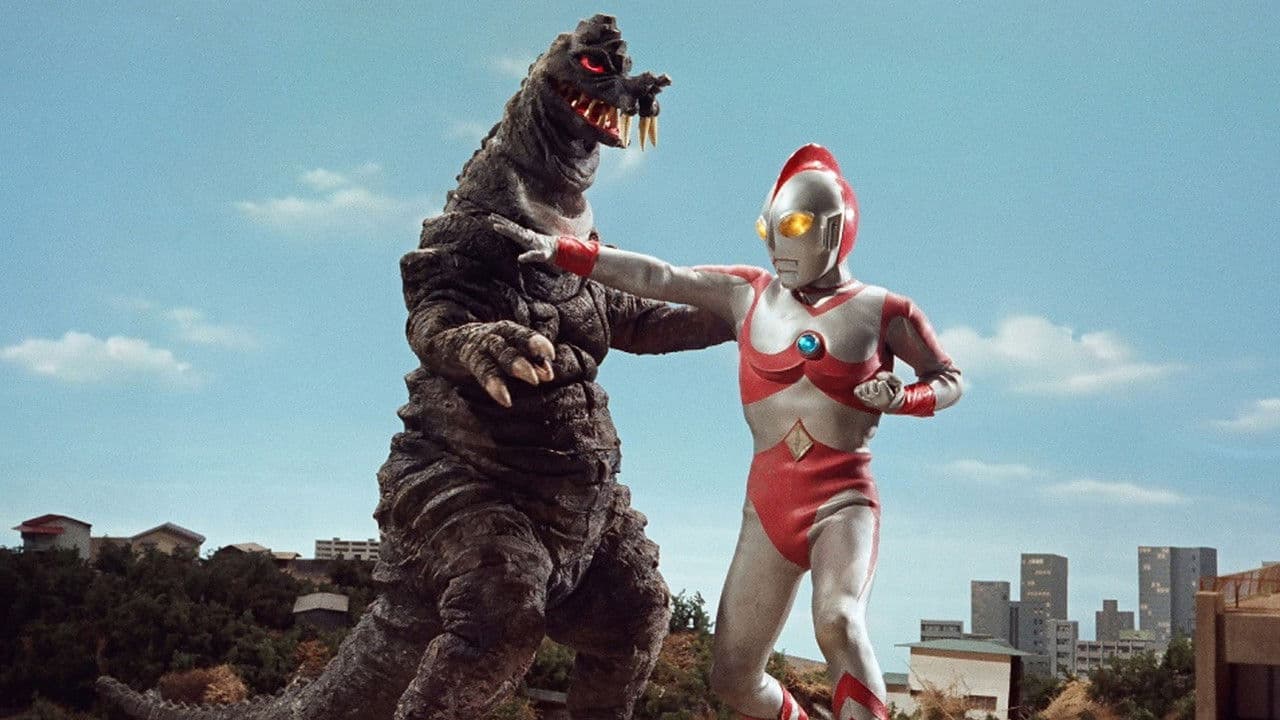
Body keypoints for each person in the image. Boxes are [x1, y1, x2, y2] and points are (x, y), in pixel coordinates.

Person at [493, 144, 962, 720]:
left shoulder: (885, 310)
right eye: (768, 228)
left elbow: (948, 378)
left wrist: (906, 397)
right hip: (767, 507)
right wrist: (566, 251)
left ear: (833, 228)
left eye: (793, 226)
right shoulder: (748, 292)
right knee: (734, 678)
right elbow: (661, 276)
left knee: (838, 620)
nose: (776, 243)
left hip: (842, 500)